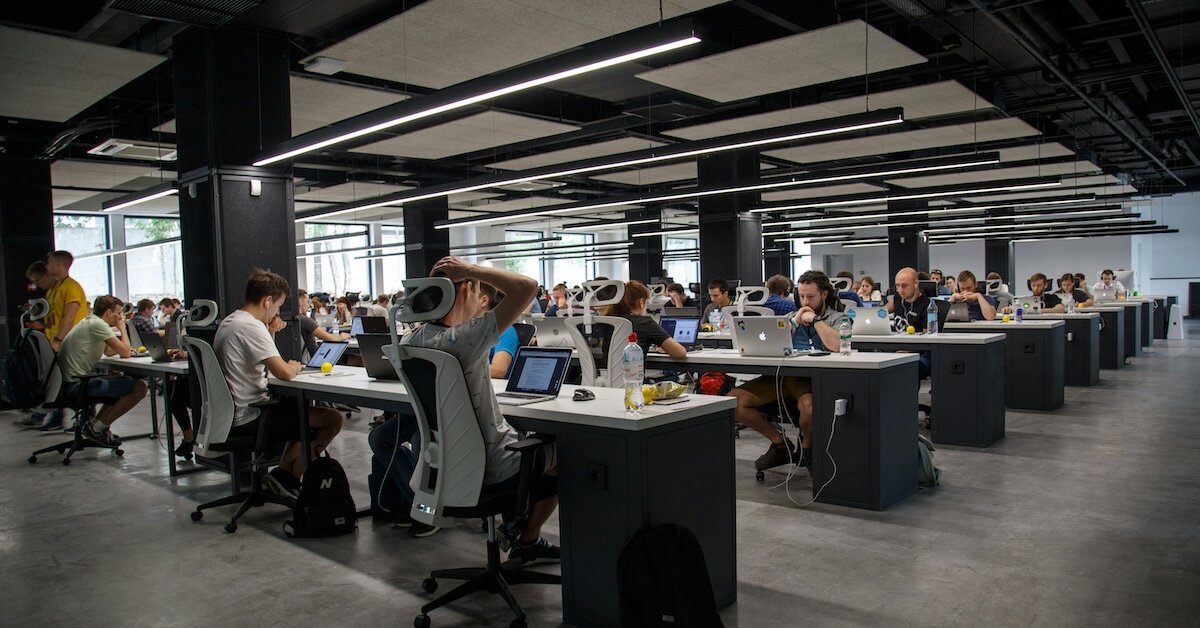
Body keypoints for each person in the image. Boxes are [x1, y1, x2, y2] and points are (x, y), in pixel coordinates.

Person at [403, 256, 560, 564]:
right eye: (474, 289)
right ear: (466, 290)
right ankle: (526, 537)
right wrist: (471, 270)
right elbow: (527, 287)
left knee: (526, 443)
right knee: (567, 450)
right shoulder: (464, 338)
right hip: (494, 466)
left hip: (447, 467)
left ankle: (514, 522)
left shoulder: (412, 340)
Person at [214, 269, 344, 500]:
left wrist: (270, 332)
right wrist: (295, 366)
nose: (277, 312)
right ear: (267, 301)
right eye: (278, 305)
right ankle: (288, 477)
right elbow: (283, 372)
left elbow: (259, 358)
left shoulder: (232, 321)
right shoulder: (251, 327)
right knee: (332, 419)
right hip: (251, 415)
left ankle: (283, 476)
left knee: (298, 412)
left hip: (233, 414)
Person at [729, 270, 848, 472]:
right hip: (782, 378)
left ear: (824, 295)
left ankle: (808, 448)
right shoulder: (790, 317)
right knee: (734, 401)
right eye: (801, 296)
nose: (805, 301)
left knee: (809, 407)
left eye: (810, 296)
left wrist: (815, 320)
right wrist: (794, 322)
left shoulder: (839, 318)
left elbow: (837, 346)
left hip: (811, 380)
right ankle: (780, 443)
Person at [57, 295, 148, 446]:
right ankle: (97, 428)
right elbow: (125, 353)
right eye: (118, 313)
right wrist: (122, 328)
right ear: (109, 312)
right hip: (76, 385)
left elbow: (108, 350)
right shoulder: (99, 325)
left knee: (121, 385)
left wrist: (121, 347)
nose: (120, 316)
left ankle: (95, 427)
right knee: (139, 387)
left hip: (69, 382)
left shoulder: (89, 321)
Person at [606, 281, 687, 359]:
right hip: (634, 372)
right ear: (641, 302)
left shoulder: (608, 321)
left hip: (605, 372)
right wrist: (666, 348)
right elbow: (680, 353)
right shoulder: (645, 323)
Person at [884, 267, 932, 378]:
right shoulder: (897, 298)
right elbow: (880, 313)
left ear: (916, 284)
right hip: (896, 347)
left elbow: (928, 339)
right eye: (897, 285)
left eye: (904, 285)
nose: (900, 289)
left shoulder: (927, 304)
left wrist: (906, 350)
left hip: (918, 352)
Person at [45, 250, 87, 351]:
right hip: (59, 344)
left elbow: (69, 317)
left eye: (49, 263)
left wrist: (57, 340)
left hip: (71, 345)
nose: (46, 266)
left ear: (58, 264)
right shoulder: (57, 287)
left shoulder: (71, 287)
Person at [481, 283, 520, 379]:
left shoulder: (505, 330)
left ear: (483, 300)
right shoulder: (469, 328)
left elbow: (499, 370)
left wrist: (460, 368)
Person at [295, 290, 350, 357]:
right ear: (300, 302)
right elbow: (330, 338)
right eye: (306, 301)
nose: (308, 305)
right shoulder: (305, 320)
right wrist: (342, 336)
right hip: (317, 358)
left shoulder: (295, 319)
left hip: (311, 356)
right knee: (354, 357)